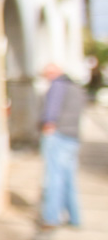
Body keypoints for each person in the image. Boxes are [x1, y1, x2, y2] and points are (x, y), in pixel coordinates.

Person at [39, 63, 84, 228]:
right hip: (73, 136)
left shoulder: (57, 85)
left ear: (52, 72)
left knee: (54, 177)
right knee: (69, 179)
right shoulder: (75, 86)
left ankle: (51, 217)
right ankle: (75, 217)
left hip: (58, 135)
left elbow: (51, 112)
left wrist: (47, 126)